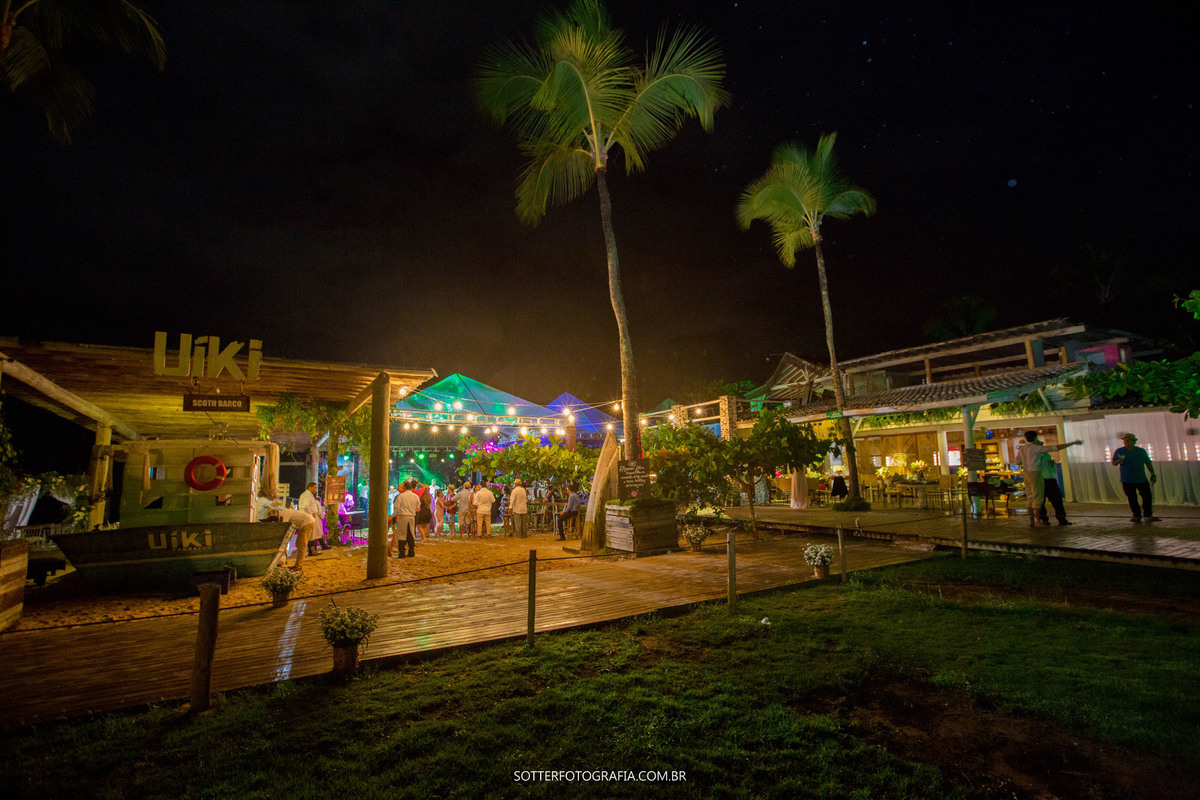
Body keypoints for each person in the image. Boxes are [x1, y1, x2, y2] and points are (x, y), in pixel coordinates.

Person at [1017, 431, 1082, 528]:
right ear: (1034, 439)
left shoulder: (1023, 448)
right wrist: (1072, 443)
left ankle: (1034, 520)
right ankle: (1039, 520)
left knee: (1033, 497)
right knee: (1038, 499)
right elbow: (1055, 448)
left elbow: (1018, 461)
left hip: (1031, 474)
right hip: (1038, 475)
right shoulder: (1036, 448)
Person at [1111, 433, 1160, 522]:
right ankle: (1136, 515)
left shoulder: (1141, 451)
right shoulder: (1120, 451)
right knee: (1132, 497)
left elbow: (1148, 462)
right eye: (1125, 441)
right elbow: (1113, 463)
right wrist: (1118, 461)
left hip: (1141, 478)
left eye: (1128, 440)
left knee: (1147, 496)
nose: (1126, 442)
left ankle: (1148, 514)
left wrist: (1153, 473)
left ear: (1134, 442)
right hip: (1127, 479)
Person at [268, 506, 317, 570]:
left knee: (301, 544)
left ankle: (298, 566)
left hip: (307, 522)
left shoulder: (284, 515)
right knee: (299, 544)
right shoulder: (284, 512)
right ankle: (298, 565)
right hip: (307, 521)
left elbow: (284, 528)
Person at [1035, 450, 1072, 526]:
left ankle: (1061, 519)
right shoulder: (1036, 456)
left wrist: (1053, 464)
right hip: (1041, 479)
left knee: (1057, 500)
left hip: (1049, 479)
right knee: (1042, 502)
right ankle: (1045, 519)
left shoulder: (1046, 455)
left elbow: (1052, 465)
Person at [297, 482, 325, 555]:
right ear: (310, 487)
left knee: (313, 534)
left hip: (310, 517)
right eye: (315, 487)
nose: (316, 489)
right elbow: (306, 506)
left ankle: (313, 550)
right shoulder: (307, 495)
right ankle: (311, 551)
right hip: (310, 517)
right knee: (312, 534)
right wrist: (310, 514)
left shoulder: (307, 495)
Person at [393, 480, 419, 558]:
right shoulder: (415, 496)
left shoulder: (401, 496)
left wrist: (394, 515)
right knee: (411, 533)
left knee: (401, 534)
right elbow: (417, 507)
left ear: (404, 488)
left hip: (403, 516)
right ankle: (411, 551)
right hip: (411, 516)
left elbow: (396, 507)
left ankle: (402, 553)